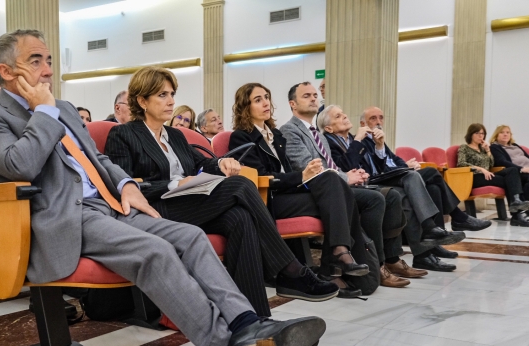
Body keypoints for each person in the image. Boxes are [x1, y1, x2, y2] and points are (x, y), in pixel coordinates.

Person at [0, 29, 324, 346]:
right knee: (155, 251)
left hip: (112, 204)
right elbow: (18, 165)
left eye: (50, 60)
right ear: (6, 72)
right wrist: (43, 111)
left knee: (191, 237)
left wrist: (126, 185)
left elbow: (98, 159)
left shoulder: (64, 109)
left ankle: (249, 324)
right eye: (35, 61)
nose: (47, 71)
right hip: (64, 215)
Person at [106, 67, 339, 311]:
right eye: (162, 95)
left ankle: (254, 316)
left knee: (240, 218)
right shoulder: (123, 134)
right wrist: (174, 183)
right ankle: (289, 270)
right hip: (156, 208)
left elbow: (199, 164)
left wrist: (220, 162)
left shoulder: (174, 135)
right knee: (240, 185)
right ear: (142, 100)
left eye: (172, 94)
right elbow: (125, 184)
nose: (171, 101)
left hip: (190, 202)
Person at [229, 82, 371, 298]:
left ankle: (337, 259)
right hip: (269, 199)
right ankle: (335, 261)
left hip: (291, 192)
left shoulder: (275, 134)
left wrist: (306, 176)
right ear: (244, 107)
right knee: (336, 190)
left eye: (266, 97)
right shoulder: (241, 136)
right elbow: (258, 177)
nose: (266, 102)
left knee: (335, 182)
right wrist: (301, 176)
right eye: (258, 99)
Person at [282, 82, 419, 288]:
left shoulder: (318, 135)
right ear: (293, 104)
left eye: (314, 95)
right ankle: (376, 265)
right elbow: (308, 168)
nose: (313, 98)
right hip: (314, 192)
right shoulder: (289, 130)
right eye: (306, 96)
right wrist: (346, 177)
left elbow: (332, 167)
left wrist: (349, 175)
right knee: (375, 199)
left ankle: (388, 260)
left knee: (391, 196)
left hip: (333, 186)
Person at [320, 105, 465, 272]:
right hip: (358, 185)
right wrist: (360, 142)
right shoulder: (332, 142)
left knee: (419, 189)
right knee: (412, 181)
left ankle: (425, 249)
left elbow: (376, 164)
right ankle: (431, 233)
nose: (345, 116)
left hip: (372, 180)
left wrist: (380, 146)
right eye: (338, 116)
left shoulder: (352, 139)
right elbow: (346, 166)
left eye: (344, 113)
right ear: (329, 127)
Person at [359, 107, 491, 260]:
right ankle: (457, 218)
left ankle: (436, 242)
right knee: (431, 172)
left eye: (381, 118)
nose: (378, 122)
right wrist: (399, 164)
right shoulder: (361, 141)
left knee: (434, 188)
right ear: (363, 123)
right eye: (373, 119)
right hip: (380, 180)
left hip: (396, 175)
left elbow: (396, 161)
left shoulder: (380, 140)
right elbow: (376, 168)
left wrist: (405, 165)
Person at [458, 123, 529, 227]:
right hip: (474, 177)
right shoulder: (464, 147)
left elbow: (491, 164)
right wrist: (481, 169)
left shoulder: (483, 149)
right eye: (477, 133)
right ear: (471, 134)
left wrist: (487, 150)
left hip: (488, 175)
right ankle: (517, 215)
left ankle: (516, 202)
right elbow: (461, 164)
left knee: (512, 171)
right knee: (510, 181)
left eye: (482, 134)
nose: (480, 136)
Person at [490, 124, 529, 201]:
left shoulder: (515, 145)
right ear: (496, 135)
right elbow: (502, 161)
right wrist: (521, 169)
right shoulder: (495, 147)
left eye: (508, 132)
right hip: (517, 173)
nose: (505, 134)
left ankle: (524, 206)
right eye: (502, 132)